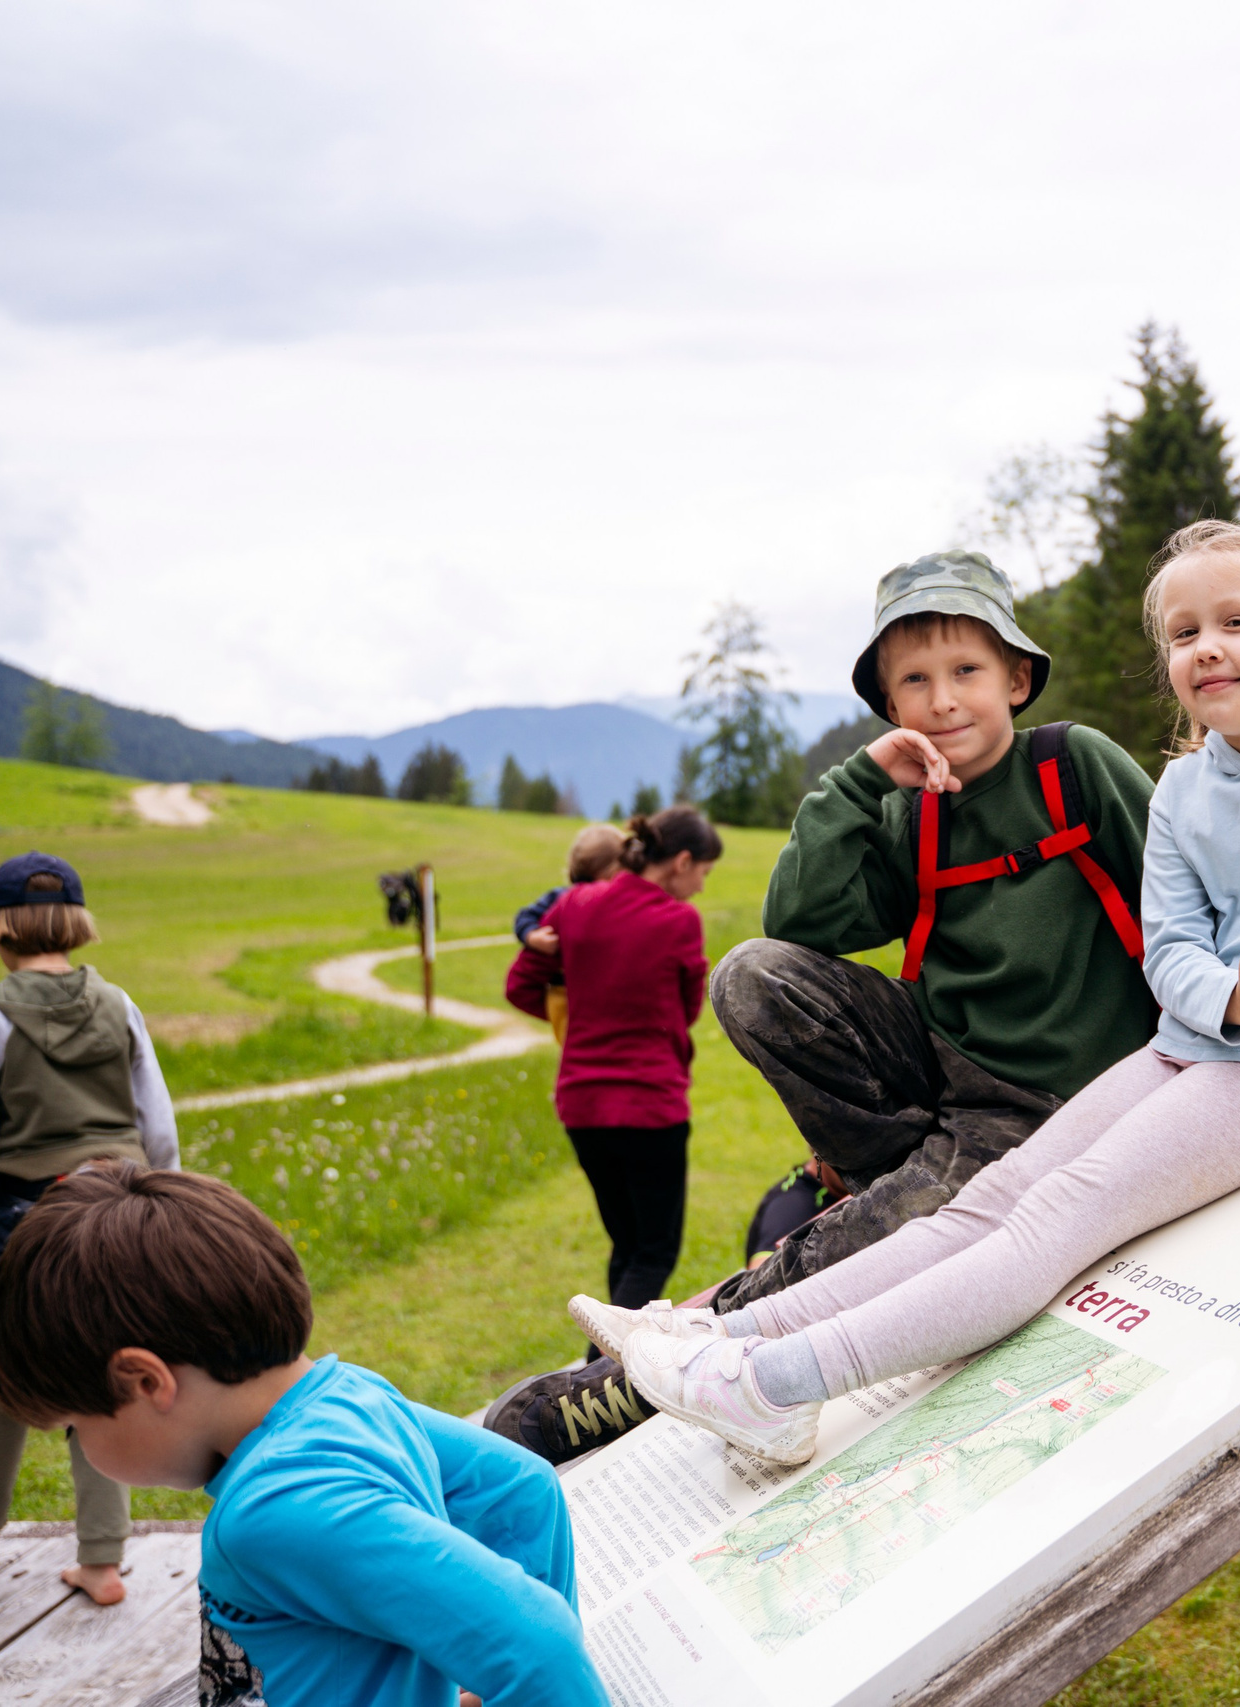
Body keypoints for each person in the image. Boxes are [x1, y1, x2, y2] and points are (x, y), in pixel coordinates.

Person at [596, 518, 1240, 1465]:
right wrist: (1225, 998)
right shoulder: (1186, 788)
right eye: (1183, 633)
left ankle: (777, 1385)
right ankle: (721, 1337)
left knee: (1059, 1214)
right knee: (990, 1200)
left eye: (1235, 622)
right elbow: (1171, 947)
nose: (1206, 647)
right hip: (1188, 1047)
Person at [488, 551, 1155, 1463]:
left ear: (1016, 677)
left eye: (966, 669)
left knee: (864, 1238)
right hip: (941, 1072)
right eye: (913, 681)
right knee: (751, 976)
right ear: (889, 703)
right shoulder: (908, 809)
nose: (943, 699)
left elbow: (1187, 893)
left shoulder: (1075, 767)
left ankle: (643, 1379)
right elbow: (798, 922)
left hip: (1056, 1106)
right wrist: (860, 782)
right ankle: (900, 1182)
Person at [0, 1162, 605, 1707]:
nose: (83, 1449)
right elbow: (520, 1489)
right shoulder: (354, 1395)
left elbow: (538, 1647)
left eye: (74, 1427)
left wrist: (527, 1684)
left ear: (144, 1381)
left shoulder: (274, 1510)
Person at [0, 852, 178, 1605]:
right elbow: (158, 1128)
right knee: (105, 1377)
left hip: (26, 1230)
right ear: (75, 924)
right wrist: (163, 1209)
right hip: (117, 1220)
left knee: (2, 1382)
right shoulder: (120, 1004)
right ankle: (103, 1560)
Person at [505, 807, 717, 1358]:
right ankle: (592, 1378)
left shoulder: (575, 904)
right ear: (682, 862)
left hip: (582, 1106)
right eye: (703, 873)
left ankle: (602, 1369)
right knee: (653, 1253)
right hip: (650, 1107)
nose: (700, 887)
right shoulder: (678, 921)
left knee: (628, 1245)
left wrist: (583, 1010)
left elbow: (521, 983)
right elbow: (687, 1009)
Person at [512, 823, 627, 1044]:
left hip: (576, 994)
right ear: (612, 871)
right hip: (563, 992)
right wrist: (532, 936)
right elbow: (525, 916)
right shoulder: (561, 897)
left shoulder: (573, 899)